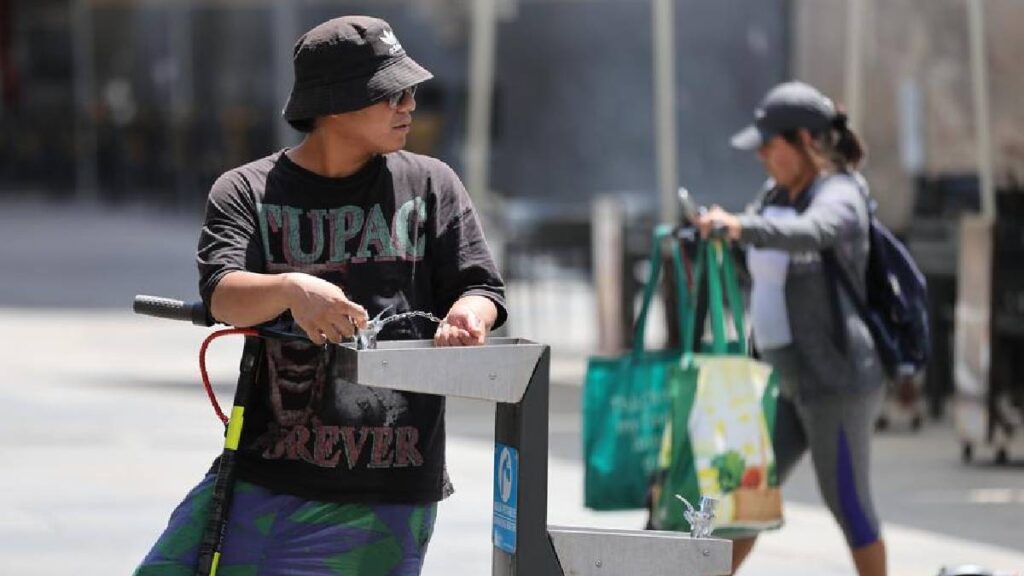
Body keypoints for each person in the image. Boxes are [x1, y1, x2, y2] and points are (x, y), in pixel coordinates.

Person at [135, 15, 506, 575]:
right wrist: (291, 288)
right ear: (335, 103)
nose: (409, 104)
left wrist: (467, 315)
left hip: (393, 491)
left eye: (411, 90)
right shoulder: (246, 191)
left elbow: (482, 288)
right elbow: (221, 294)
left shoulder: (432, 184)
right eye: (391, 92)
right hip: (269, 479)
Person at [696, 81, 887, 576]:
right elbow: (758, 258)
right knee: (743, 498)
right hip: (783, 381)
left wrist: (742, 226)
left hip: (836, 381)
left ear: (804, 140)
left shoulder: (841, 193)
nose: (761, 155)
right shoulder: (776, 194)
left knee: (848, 502)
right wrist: (717, 236)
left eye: (769, 145)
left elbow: (813, 233)